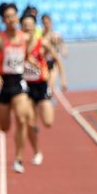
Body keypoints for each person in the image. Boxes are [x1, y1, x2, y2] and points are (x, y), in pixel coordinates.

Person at [0, 2, 34, 174]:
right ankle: (8, 127)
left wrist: (31, 62)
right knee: (4, 127)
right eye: (8, 17)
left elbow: (25, 56)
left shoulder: (25, 38)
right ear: (3, 20)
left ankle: (18, 159)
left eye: (14, 15)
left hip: (18, 82)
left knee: (22, 119)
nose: (12, 19)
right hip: (2, 84)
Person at [20, 13, 67, 164]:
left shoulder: (43, 43)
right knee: (28, 121)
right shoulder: (17, 44)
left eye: (29, 25)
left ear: (34, 27)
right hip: (25, 86)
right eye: (24, 26)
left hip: (41, 85)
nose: (27, 28)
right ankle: (36, 152)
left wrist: (63, 78)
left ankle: (39, 112)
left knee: (48, 122)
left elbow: (58, 59)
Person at [41, 13, 67, 94]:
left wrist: (63, 49)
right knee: (43, 87)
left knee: (50, 87)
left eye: (48, 22)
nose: (47, 25)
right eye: (44, 23)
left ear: (51, 23)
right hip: (43, 63)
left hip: (53, 63)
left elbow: (62, 45)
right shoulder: (40, 35)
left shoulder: (55, 35)